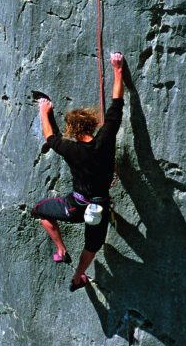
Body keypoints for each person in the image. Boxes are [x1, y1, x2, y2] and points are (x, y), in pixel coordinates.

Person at [32, 52, 125, 291]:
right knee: (92, 245)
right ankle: (78, 276)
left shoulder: (71, 149)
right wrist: (117, 69)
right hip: (99, 207)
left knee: (41, 213)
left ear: (72, 130)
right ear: (93, 124)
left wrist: (44, 111)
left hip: (75, 205)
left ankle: (61, 250)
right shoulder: (105, 139)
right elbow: (117, 105)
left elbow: (50, 138)